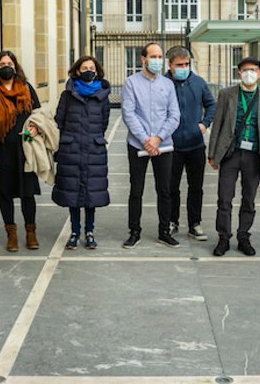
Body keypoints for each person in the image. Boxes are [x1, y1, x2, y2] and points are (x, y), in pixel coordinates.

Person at [208, 57, 260, 257]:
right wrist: (212, 154)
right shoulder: (226, 94)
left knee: (249, 198)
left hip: (254, 155)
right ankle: (223, 237)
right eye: (245, 70)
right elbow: (217, 125)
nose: (249, 74)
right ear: (239, 73)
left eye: (253, 70)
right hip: (230, 153)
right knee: (224, 197)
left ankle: (243, 236)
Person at [121, 42, 181, 249]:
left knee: (164, 190)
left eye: (159, 56)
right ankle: (134, 231)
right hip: (137, 144)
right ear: (143, 59)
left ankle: (164, 231)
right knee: (136, 190)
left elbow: (174, 115)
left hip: (163, 145)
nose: (157, 60)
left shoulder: (168, 84)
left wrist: (158, 139)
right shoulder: (131, 83)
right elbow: (129, 114)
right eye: (153, 56)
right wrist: (146, 140)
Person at [0, 50, 41, 252]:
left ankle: (31, 231)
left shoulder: (26, 88)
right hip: (1, 150)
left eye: (9, 63)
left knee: (28, 193)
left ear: (16, 67)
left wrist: (35, 128)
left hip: (24, 148)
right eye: (1, 64)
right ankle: (12, 233)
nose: (6, 66)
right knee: (5, 194)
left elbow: (38, 114)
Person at [52, 55, 111, 250]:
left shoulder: (102, 96)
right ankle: (75, 231)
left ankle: (90, 231)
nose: (88, 70)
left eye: (91, 68)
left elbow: (103, 122)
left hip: (94, 149)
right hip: (71, 149)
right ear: (77, 71)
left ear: (97, 71)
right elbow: (58, 121)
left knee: (92, 194)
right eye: (84, 67)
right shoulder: (67, 95)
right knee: (73, 194)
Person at [165, 46, 216, 241]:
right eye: (179, 65)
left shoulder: (199, 83)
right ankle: (172, 222)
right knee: (171, 187)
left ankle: (195, 223)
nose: (184, 68)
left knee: (196, 187)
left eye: (187, 64)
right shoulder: (163, 83)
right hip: (171, 146)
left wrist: (204, 124)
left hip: (195, 145)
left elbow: (211, 104)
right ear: (170, 65)